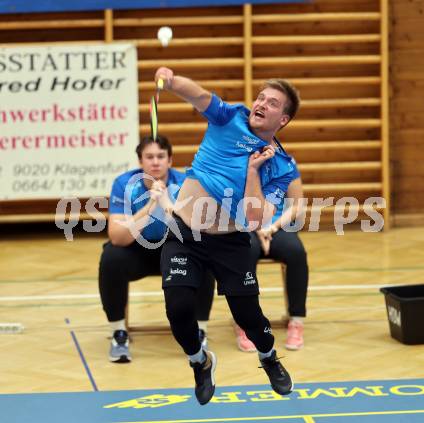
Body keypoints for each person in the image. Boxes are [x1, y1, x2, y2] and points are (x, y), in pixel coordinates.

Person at [155, 67, 301, 405]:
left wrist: (253, 171)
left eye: (272, 102)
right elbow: (199, 95)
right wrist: (173, 80)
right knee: (178, 309)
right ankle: (200, 361)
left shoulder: (280, 166)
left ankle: (269, 357)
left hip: (230, 242)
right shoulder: (229, 117)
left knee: (249, 317)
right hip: (183, 232)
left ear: (283, 119)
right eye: (261, 97)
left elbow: (254, 218)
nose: (261, 104)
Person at [98, 134, 215, 363]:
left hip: (176, 250)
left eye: (161, 156)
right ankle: (119, 333)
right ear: (140, 162)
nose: (155, 162)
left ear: (170, 160)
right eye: (149, 157)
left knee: (205, 252)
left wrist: (168, 204)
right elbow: (118, 237)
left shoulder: (186, 183)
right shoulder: (124, 184)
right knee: (111, 257)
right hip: (138, 252)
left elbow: (197, 229)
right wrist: (151, 207)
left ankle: (199, 330)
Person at [233, 177, 309, 352]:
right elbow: (231, 205)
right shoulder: (239, 162)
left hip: (279, 227)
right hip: (246, 228)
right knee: (242, 253)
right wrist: (259, 231)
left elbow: (297, 206)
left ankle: (296, 320)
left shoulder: (286, 165)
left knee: (296, 253)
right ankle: (245, 322)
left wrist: (271, 229)